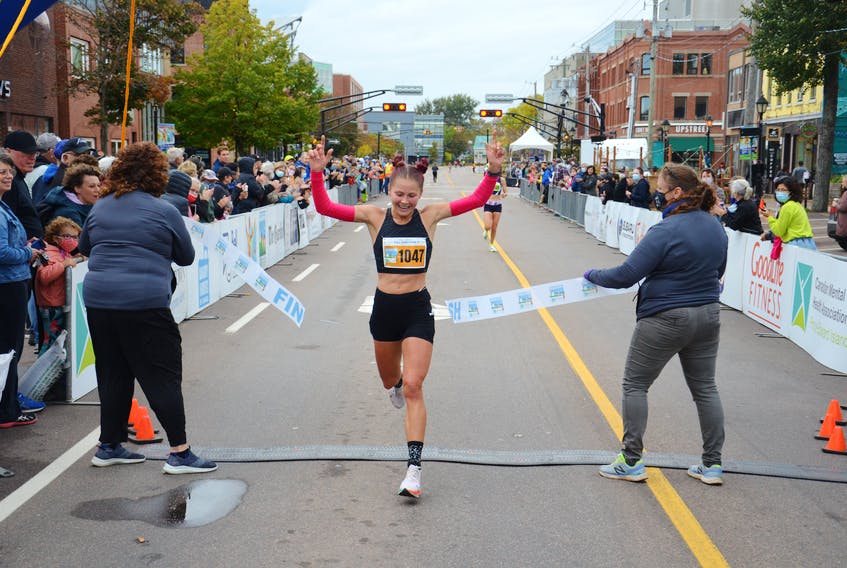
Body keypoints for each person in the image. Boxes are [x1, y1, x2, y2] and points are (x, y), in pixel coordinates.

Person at [307, 134, 505, 498]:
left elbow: (477, 200)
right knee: (391, 382)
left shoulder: (430, 216)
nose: (404, 201)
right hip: (385, 310)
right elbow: (324, 209)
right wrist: (316, 173)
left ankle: (414, 469)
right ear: (390, 189)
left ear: (419, 196)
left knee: (415, 386)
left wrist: (493, 169)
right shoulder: (373, 216)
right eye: (399, 194)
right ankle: (394, 384)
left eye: (411, 196)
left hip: (417, 308)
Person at [584, 163, 727, 485]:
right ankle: (712, 464)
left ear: (677, 193)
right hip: (708, 313)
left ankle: (631, 460)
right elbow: (719, 270)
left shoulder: (665, 230)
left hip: (666, 316)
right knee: (705, 388)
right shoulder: (715, 226)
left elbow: (625, 275)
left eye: (659, 191)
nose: (656, 197)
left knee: (635, 384)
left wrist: (592, 276)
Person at [79, 141, 217, 473]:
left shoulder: (100, 207)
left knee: (112, 373)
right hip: (143, 301)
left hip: (99, 300)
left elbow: (85, 246)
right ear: (158, 174)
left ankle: (109, 445)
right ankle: (180, 453)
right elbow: (185, 257)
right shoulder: (165, 210)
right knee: (162, 377)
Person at [0, 151, 43, 427]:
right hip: (7, 286)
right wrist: (27, 252)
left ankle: (8, 406)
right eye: (1, 173)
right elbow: (2, 252)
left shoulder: (4, 206)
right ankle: (7, 411)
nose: (8, 176)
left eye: (8, 172)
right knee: (8, 349)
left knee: (9, 348)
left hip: (12, 283)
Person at [36, 216, 84, 354]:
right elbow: (44, 276)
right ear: (56, 238)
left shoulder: (65, 253)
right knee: (51, 343)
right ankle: (43, 372)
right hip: (51, 307)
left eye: (76, 237)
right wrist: (63, 265)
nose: (73, 240)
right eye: (68, 236)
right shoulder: (48, 253)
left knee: (60, 342)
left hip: (60, 304)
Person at [759, 176, 816, 250]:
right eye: (778, 190)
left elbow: (779, 231)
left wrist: (769, 217)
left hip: (795, 245)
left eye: (783, 190)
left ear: (791, 192)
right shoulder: (797, 205)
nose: (779, 192)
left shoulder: (787, 207)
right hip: (808, 243)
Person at [40, 162, 101, 227]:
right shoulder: (68, 213)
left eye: (99, 185)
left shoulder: (90, 205)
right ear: (77, 188)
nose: (98, 190)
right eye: (92, 186)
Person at [483, 173, 506, 252]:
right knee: (487, 226)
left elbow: (505, 191)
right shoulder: (487, 179)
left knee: (494, 227)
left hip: (497, 205)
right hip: (488, 204)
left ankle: (491, 245)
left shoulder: (501, 180)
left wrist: (504, 194)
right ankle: (486, 230)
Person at [835, 175, 847, 247]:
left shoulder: (846, 194)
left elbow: (843, 207)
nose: (842, 184)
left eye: (843, 182)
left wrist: (836, 204)